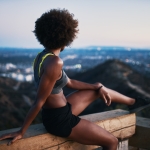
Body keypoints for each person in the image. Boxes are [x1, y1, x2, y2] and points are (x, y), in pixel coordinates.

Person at [0, 8, 149, 150]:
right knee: (112, 142)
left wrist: (96, 86)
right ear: (67, 36)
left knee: (98, 88)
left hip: (63, 110)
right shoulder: (54, 62)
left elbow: (69, 82)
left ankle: (133, 103)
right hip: (60, 121)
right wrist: (21, 131)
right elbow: (39, 100)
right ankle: (132, 103)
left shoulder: (43, 56)